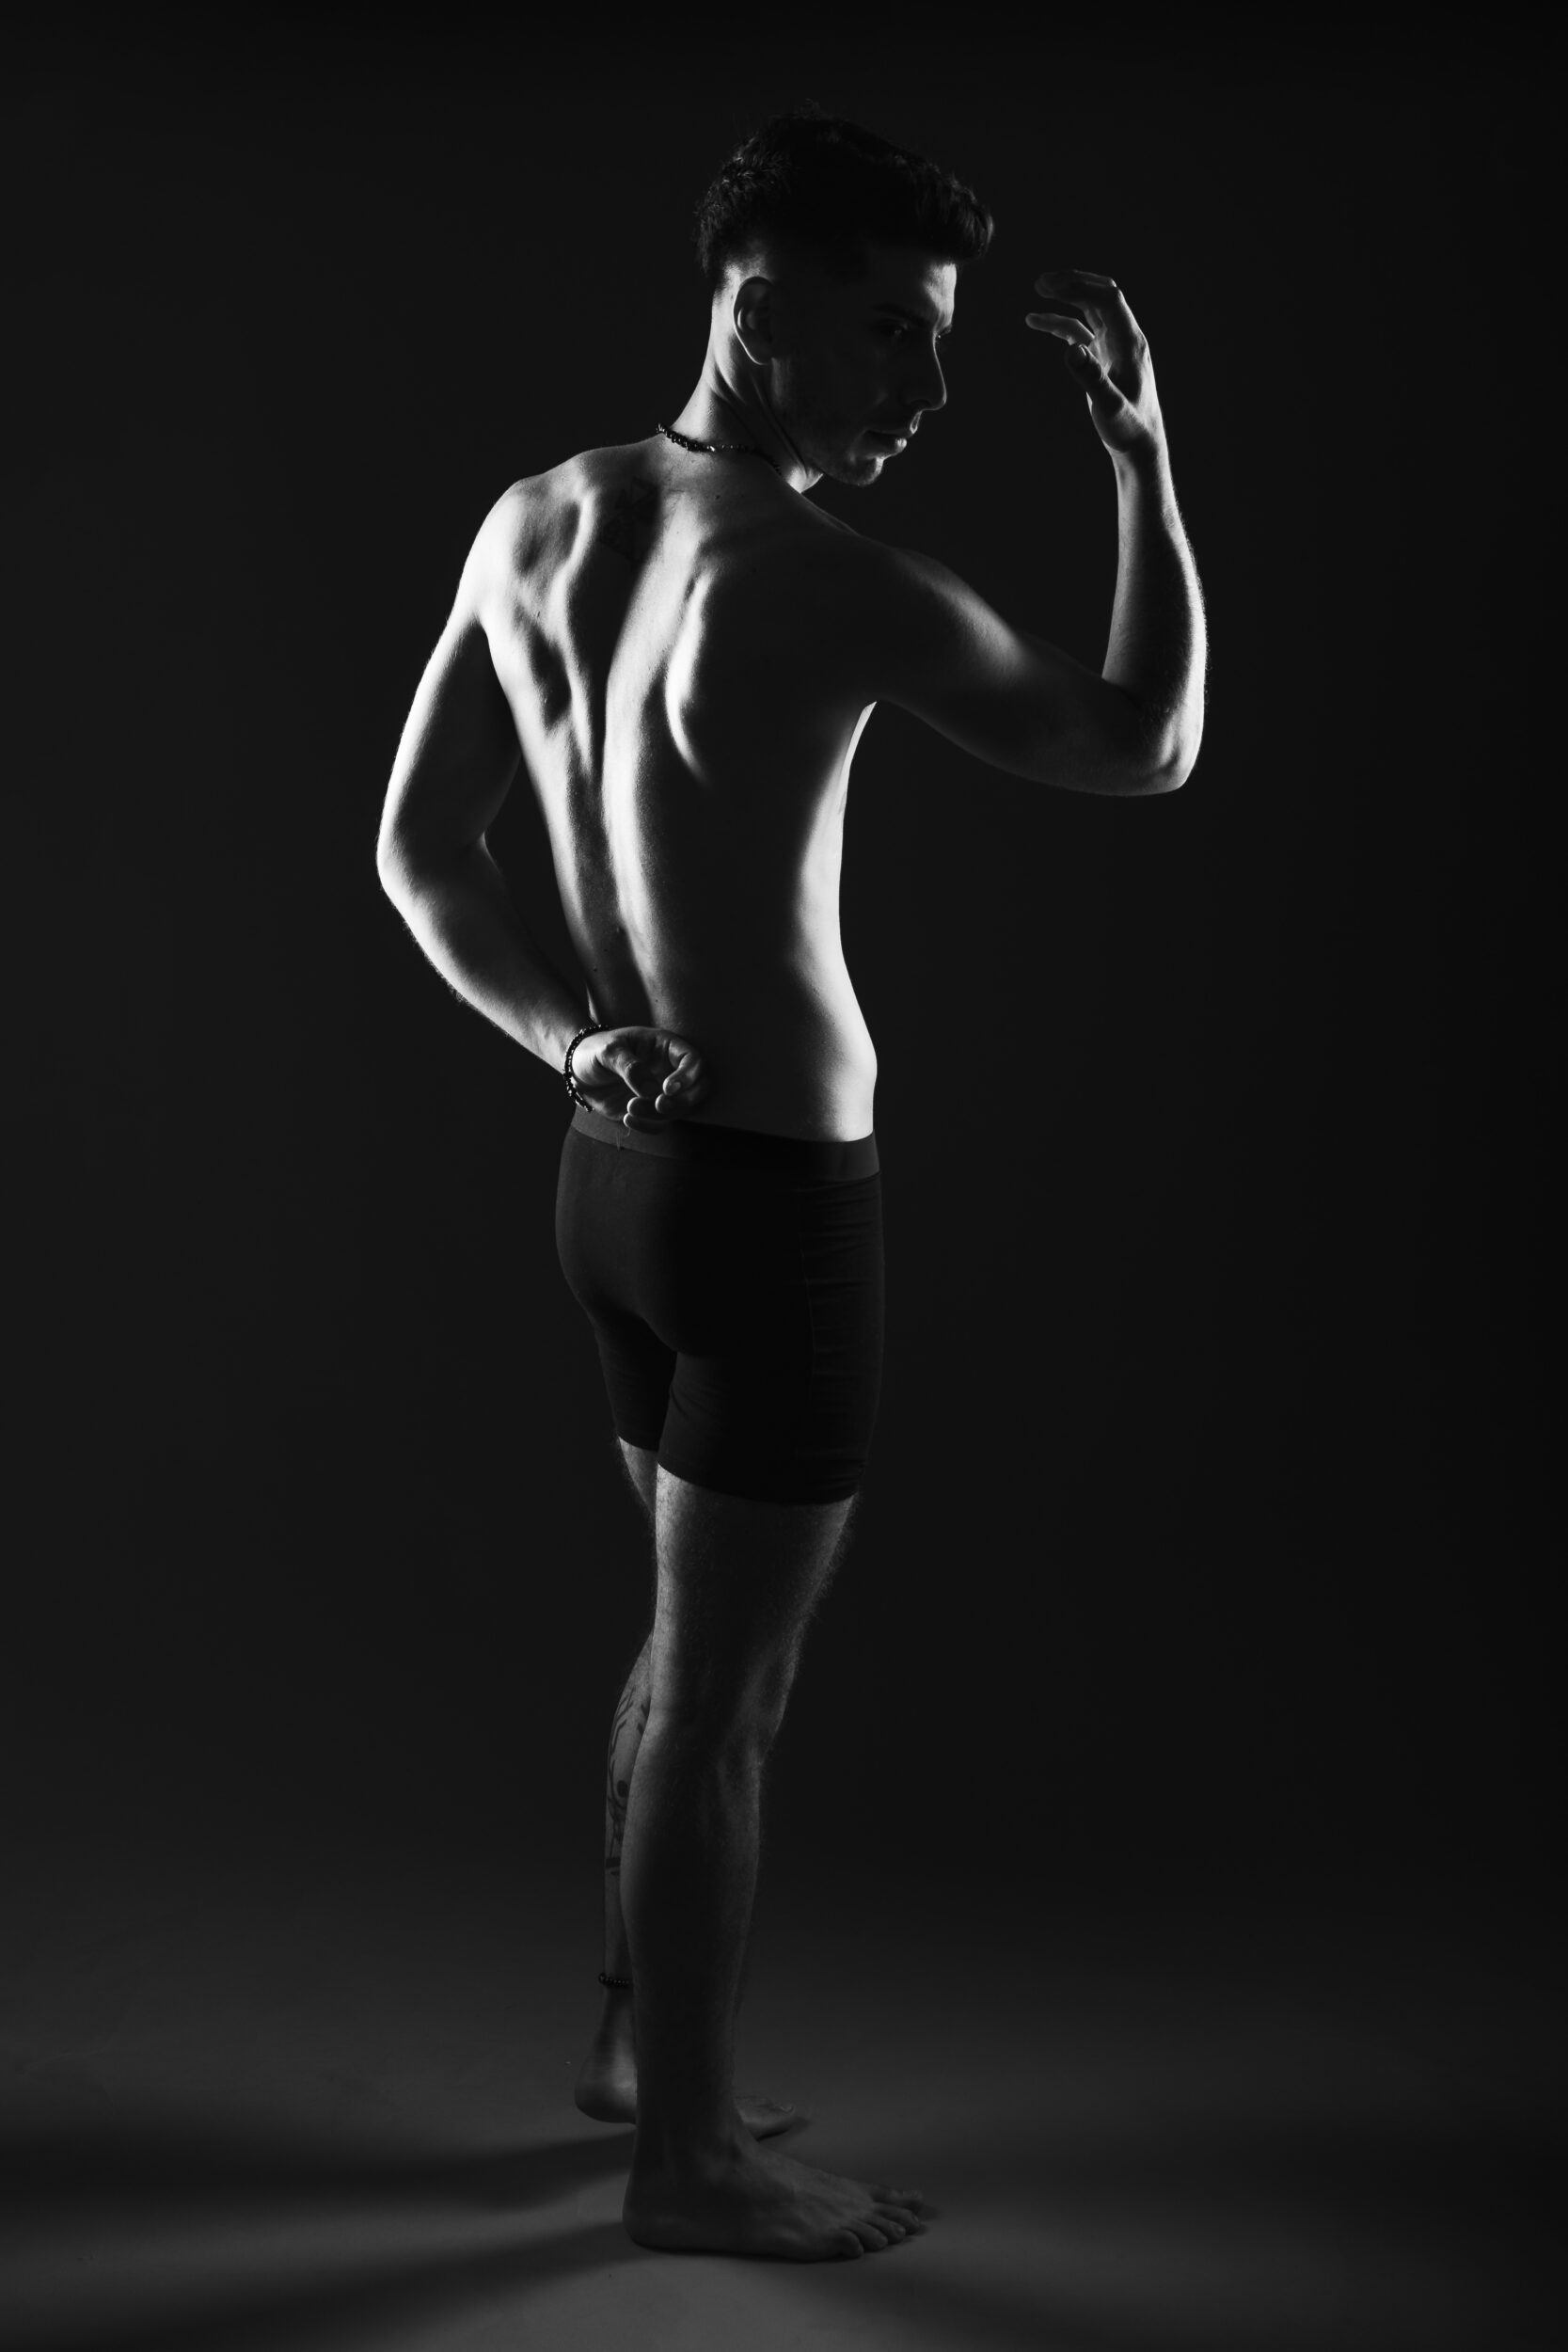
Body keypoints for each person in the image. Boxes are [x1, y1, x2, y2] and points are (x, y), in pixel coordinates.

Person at [374, 104, 1205, 2261]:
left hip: (613, 1174)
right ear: (755, 307)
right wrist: (1145, 467)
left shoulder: (533, 522)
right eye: (894, 330)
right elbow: (1146, 740)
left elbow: (419, 846)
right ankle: (693, 2158)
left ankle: (634, 2048)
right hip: (765, 1210)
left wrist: (571, 1036)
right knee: (728, 1696)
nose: (926, 389)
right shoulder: (820, 579)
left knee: (681, 1644)